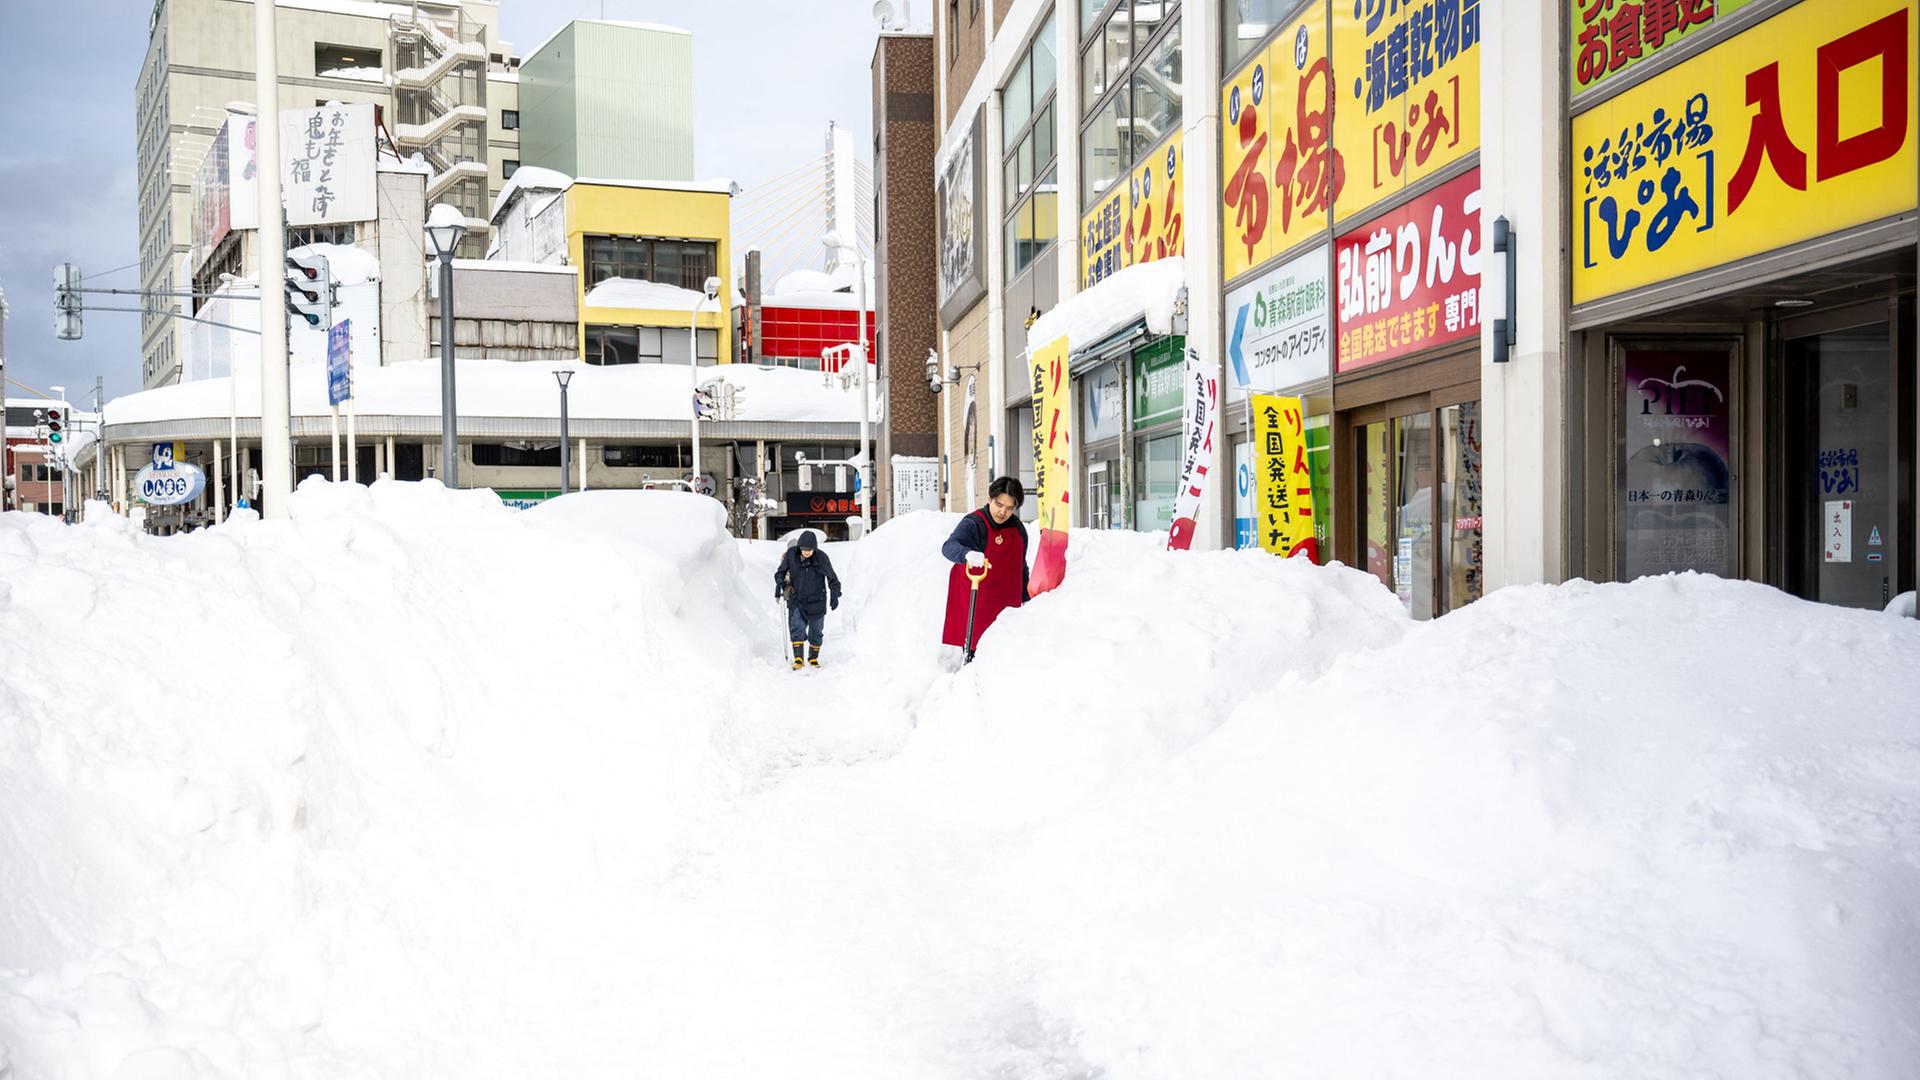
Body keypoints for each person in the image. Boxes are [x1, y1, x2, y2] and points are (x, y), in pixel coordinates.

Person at [940, 476, 1031, 658]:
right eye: (999, 504)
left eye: (1009, 508)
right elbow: (948, 547)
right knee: (978, 653)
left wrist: (1026, 597)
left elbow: (1021, 566)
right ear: (990, 499)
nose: (1002, 512)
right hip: (979, 604)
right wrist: (966, 554)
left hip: (1006, 606)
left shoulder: (1018, 530)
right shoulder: (974, 523)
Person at [775, 530, 842, 669]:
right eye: (804, 549)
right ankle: (798, 659)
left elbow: (832, 578)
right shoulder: (791, 555)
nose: (806, 552)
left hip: (817, 600)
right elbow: (780, 572)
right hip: (797, 598)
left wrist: (835, 593)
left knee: (816, 631)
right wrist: (779, 583)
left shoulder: (822, 558)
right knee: (796, 627)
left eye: (810, 550)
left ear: (815, 548)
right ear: (799, 547)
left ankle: (813, 659)